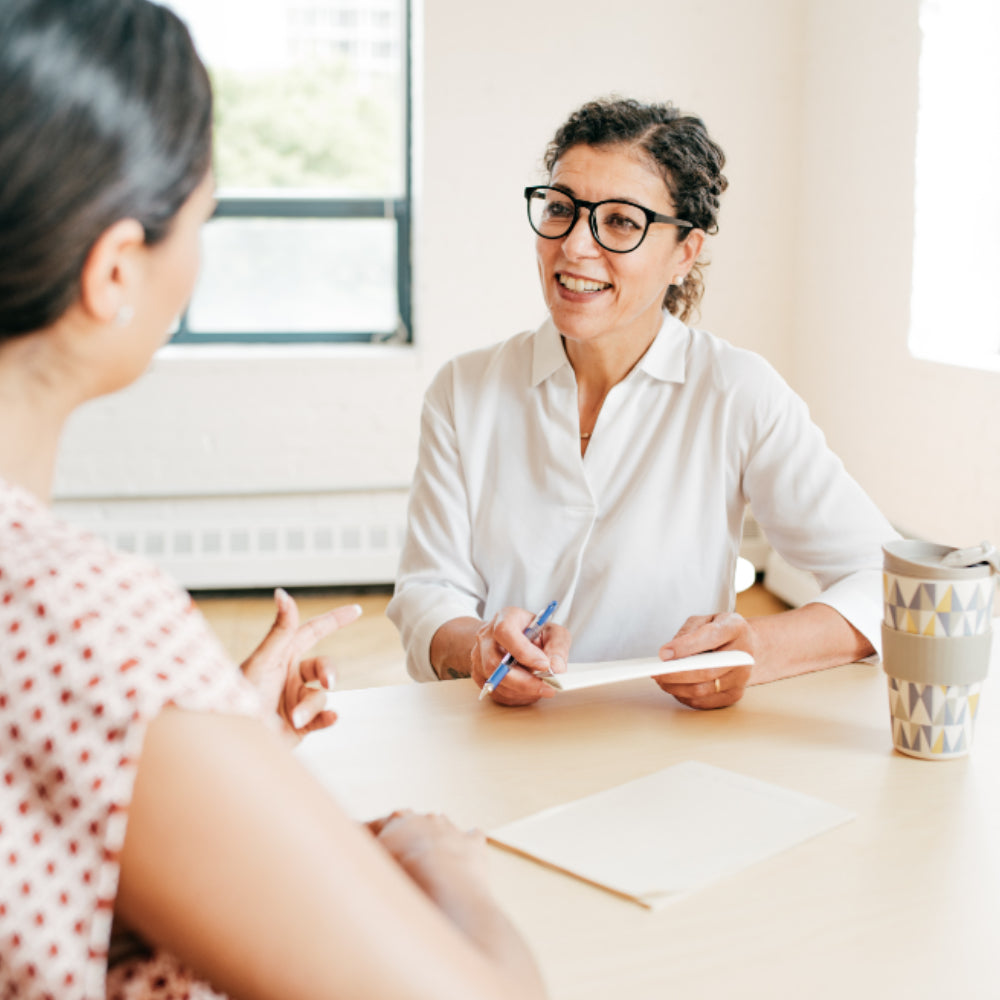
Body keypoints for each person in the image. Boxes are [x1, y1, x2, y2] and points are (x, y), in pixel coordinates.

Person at [0, 2, 546, 998]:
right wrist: (444, 860)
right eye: (201, 222)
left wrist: (204, 738)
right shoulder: (82, 622)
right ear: (115, 267)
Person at [388, 96, 898, 708]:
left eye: (621, 222)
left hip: (666, 742)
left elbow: (887, 581)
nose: (575, 246)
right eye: (560, 209)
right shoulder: (463, 389)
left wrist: (752, 650)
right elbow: (427, 591)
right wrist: (477, 646)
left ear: (684, 253)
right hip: (498, 733)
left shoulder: (736, 390)